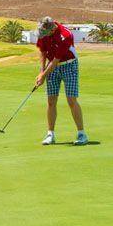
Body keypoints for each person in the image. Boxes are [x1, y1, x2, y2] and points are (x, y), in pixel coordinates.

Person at [35, 17, 88, 146]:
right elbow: (43, 52)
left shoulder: (66, 35)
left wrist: (43, 76)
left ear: (52, 29)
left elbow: (55, 61)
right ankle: (50, 134)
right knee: (51, 101)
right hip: (51, 67)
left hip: (69, 66)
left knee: (71, 100)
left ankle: (82, 134)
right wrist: (41, 72)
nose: (42, 36)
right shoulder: (43, 32)